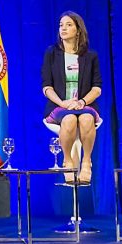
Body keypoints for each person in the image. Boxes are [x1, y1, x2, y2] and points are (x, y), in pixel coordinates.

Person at [41, 11, 102, 184]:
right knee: (68, 120)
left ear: (78, 29)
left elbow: (97, 88)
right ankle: (67, 160)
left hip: (84, 104)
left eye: (68, 25)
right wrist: (63, 103)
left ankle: (86, 161)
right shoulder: (51, 53)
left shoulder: (90, 56)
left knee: (86, 119)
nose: (63, 28)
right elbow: (46, 86)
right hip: (59, 106)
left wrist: (81, 102)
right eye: (61, 25)